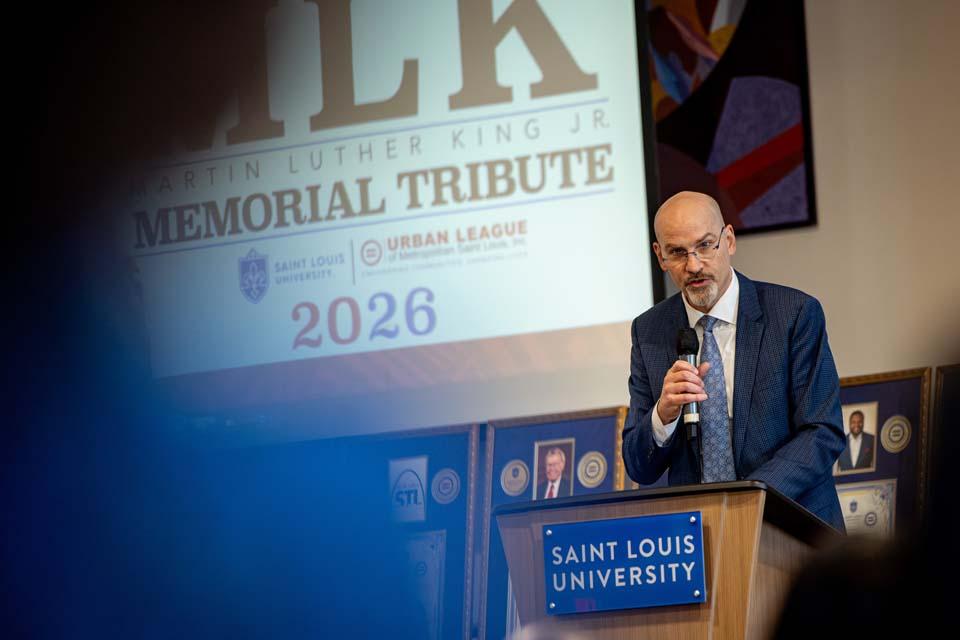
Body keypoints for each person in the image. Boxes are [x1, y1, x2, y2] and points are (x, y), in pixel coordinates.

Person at [621, 191, 846, 530]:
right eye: (678, 252)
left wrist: (746, 501)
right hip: (699, 540)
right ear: (660, 256)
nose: (693, 265)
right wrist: (661, 415)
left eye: (705, 246)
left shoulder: (793, 315)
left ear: (729, 240)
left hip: (791, 528)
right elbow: (639, 466)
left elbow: (822, 432)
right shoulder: (649, 332)